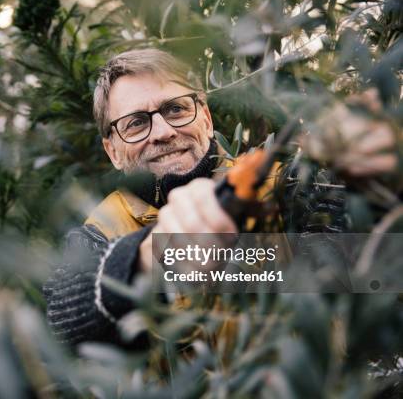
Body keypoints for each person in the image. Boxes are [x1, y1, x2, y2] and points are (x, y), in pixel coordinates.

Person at [42, 48, 398, 347]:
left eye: (176, 109)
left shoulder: (283, 189)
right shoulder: (97, 233)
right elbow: (64, 319)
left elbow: (371, 267)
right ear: (112, 151)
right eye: (136, 123)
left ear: (207, 118)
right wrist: (150, 258)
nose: (164, 132)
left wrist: (374, 188)